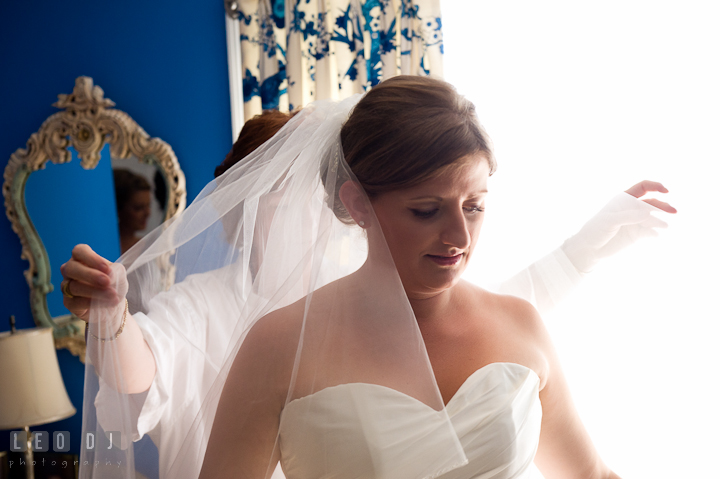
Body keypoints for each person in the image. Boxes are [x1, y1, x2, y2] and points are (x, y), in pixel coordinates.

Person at [63, 76, 674, 479]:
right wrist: (113, 318)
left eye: (476, 205)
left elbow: (592, 475)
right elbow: (145, 377)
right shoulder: (277, 342)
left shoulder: (520, 323)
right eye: (425, 210)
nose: (460, 238)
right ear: (357, 206)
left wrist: (597, 237)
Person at [113, 168, 153, 254]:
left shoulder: (150, 247)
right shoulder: (105, 245)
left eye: (148, 205)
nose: (147, 213)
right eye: (138, 208)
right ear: (119, 209)